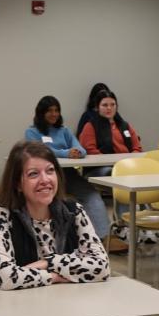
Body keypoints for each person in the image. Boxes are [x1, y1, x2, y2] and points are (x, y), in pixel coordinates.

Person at [0, 141, 109, 316]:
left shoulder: (73, 211)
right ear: (17, 183)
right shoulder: (0, 215)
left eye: (50, 171)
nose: (45, 180)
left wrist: (46, 262)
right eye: (33, 174)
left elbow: (101, 267)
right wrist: (56, 276)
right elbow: (6, 277)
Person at [23, 95, 110, 238]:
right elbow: (41, 150)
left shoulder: (64, 131)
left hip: (68, 175)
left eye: (57, 110)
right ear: (41, 113)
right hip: (44, 177)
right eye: (50, 111)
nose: (54, 114)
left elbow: (81, 149)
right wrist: (65, 153)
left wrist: (77, 152)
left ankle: (102, 237)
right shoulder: (32, 132)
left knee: (92, 195)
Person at [78, 87, 143, 154]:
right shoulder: (90, 126)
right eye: (105, 105)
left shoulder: (125, 125)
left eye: (112, 105)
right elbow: (90, 151)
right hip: (105, 163)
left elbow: (137, 148)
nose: (109, 108)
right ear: (97, 108)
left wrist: (130, 160)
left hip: (127, 162)